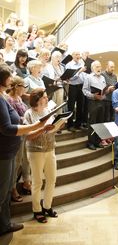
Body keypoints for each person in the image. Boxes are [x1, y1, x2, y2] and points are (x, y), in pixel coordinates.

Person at [0, 64, 49, 236]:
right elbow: (6, 128)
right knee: (2, 192)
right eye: (9, 77)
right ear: (3, 79)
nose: (12, 80)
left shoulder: (3, 97)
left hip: (10, 150)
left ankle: (4, 224)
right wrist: (35, 125)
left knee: (5, 191)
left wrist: (37, 127)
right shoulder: (1, 99)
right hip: (4, 152)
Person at [23, 88, 58, 223]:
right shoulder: (29, 114)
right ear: (37, 99)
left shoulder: (48, 111)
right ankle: (37, 210)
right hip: (35, 151)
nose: (47, 98)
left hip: (50, 149)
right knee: (37, 182)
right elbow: (28, 136)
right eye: (44, 97)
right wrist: (43, 129)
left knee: (51, 179)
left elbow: (53, 129)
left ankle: (47, 206)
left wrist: (59, 124)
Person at [7, 76, 30, 202]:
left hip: (24, 132)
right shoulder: (8, 99)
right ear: (17, 87)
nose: (25, 90)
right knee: (16, 163)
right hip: (16, 134)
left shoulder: (19, 98)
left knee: (24, 160)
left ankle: (25, 182)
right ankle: (12, 189)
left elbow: (24, 113)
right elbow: (13, 119)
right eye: (23, 87)